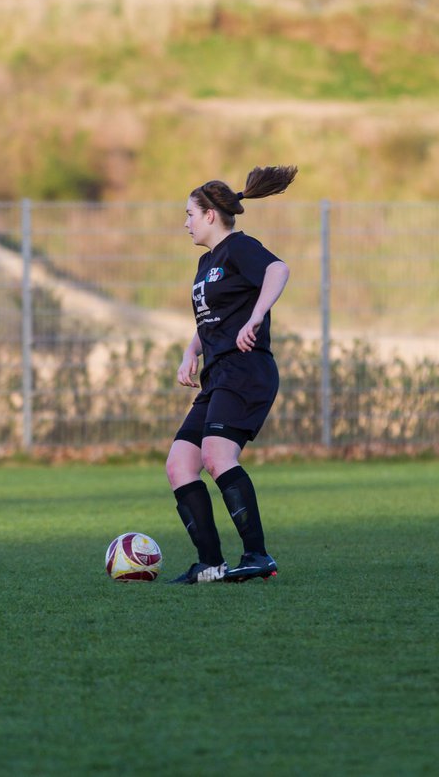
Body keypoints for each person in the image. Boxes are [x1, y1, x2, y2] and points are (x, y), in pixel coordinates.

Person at [165, 165, 297, 585]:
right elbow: (212, 320)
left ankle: (258, 556)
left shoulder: (239, 248)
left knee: (217, 456)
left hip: (247, 369)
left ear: (209, 216)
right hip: (218, 373)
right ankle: (210, 564)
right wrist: (190, 351)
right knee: (179, 464)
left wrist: (256, 318)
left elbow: (279, 270)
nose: (185, 223)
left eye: (189, 213)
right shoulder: (207, 262)